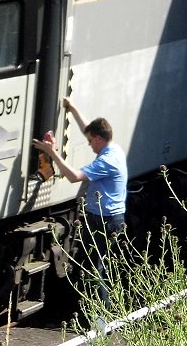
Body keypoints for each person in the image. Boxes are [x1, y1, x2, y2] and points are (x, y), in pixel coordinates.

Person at [32, 97, 127, 307]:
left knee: (97, 267)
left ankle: (105, 314)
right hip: (104, 216)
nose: (89, 144)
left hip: (105, 219)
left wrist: (51, 153)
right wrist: (73, 109)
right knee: (93, 263)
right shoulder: (113, 148)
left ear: (100, 139)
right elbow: (88, 129)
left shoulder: (106, 161)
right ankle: (94, 308)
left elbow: (74, 176)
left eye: (91, 141)